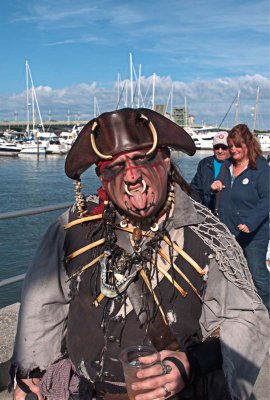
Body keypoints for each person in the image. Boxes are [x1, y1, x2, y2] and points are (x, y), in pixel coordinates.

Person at [11, 109, 269, 400]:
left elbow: (244, 318)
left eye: (142, 159)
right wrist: (31, 371)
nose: (132, 175)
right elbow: (44, 303)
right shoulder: (73, 228)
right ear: (102, 178)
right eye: (115, 167)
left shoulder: (205, 234)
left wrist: (192, 363)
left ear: (166, 161)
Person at [211, 124, 270, 312]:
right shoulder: (227, 165)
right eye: (230, 146)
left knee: (257, 274)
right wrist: (217, 184)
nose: (233, 150)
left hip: (253, 234)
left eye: (238, 145)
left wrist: (250, 223)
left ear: (248, 144)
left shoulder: (260, 167)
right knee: (231, 273)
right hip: (228, 230)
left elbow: (267, 200)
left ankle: (267, 311)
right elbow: (223, 187)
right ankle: (240, 310)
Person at [190, 131, 230, 212]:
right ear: (213, 148)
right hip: (206, 211)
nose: (220, 151)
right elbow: (195, 189)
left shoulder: (235, 165)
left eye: (224, 147)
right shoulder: (204, 163)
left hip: (226, 213)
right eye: (217, 147)